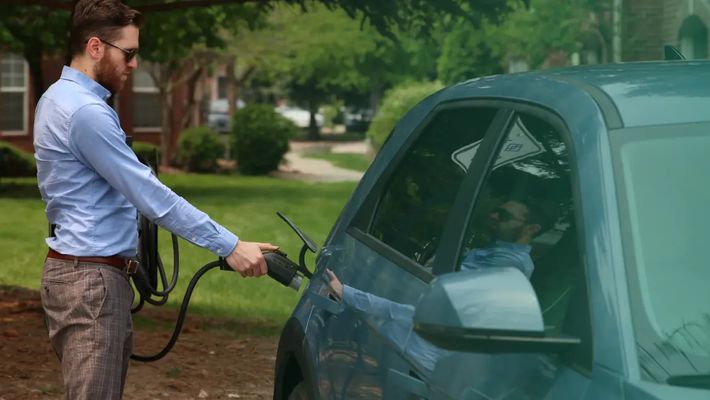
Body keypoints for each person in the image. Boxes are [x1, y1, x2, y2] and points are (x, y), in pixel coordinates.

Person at [33, 1, 276, 398]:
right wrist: (230, 246)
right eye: (127, 53)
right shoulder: (85, 113)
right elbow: (152, 197)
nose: (133, 64)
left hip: (82, 274)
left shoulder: (55, 98)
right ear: (95, 47)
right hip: (91, 282)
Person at [325, 198, 551, 373]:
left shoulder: (508, 265)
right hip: (403, 350)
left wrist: (348, 294)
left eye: (503, 215)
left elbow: (428, 306)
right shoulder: (495, 252)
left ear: (532, 228)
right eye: (496, 210)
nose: (492, 215)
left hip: (412, 360)